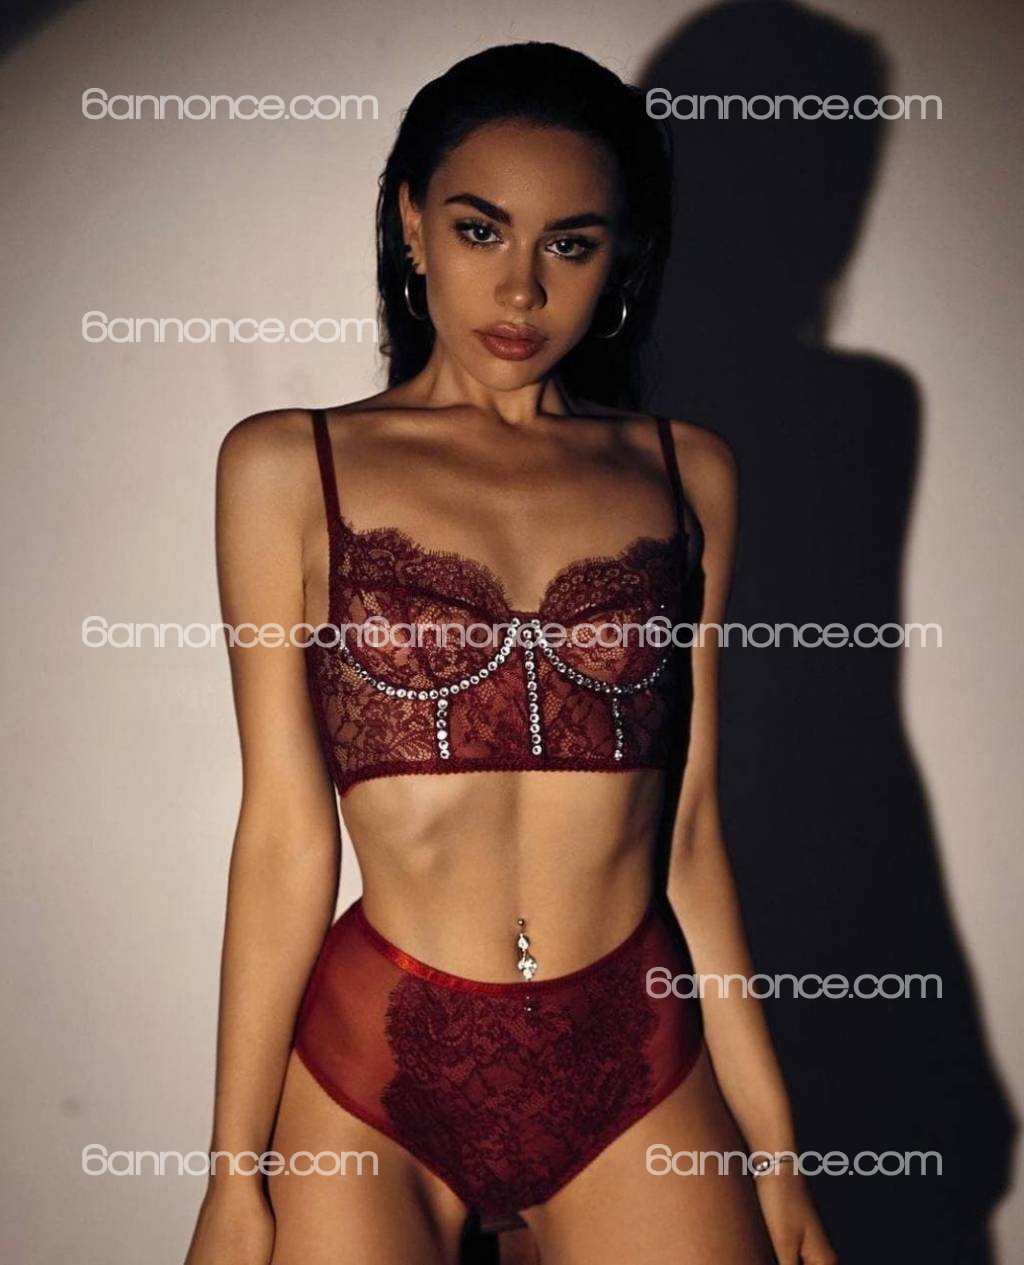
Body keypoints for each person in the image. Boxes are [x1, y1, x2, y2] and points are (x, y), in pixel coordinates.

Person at [185, 41, 837, 1265]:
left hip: (631, 1052)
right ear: (411, 223)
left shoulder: (686, 471)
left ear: (620, 259)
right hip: (377, 1063)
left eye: (570, 245)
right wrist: (233, 1172)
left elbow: (690, 832)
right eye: (480, 230)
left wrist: (776, 1142)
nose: (522, 290)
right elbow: (282, 832)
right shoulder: (286, 466)